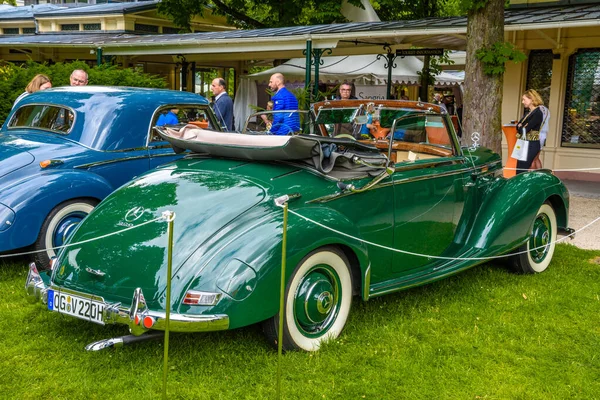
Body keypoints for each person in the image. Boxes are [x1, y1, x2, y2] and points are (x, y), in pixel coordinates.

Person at [515, 89, 550, 174]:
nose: (523, 102)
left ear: (531, 99)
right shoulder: (529, 113)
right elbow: (519, 126)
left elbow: (524, 129)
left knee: (523, 168)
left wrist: (521, 127)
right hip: (524, 142)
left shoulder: (538, 112)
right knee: (519, 168)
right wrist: (521, 127)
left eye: (524, 99)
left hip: (531, 144)